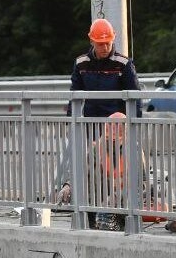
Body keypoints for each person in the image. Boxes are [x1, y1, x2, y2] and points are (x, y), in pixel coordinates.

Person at [54, 18, 141, 221]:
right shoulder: (81, 63)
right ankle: (89, 207)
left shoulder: (124, 64)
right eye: (100, 44)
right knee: (90, 167)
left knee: (119, 169)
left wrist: (134, 126)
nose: (104, 47)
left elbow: (135, 98)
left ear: (113, 40)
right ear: (91, 41)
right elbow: (75, 95)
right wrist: (71, 123)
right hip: (91, 124)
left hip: (117, 129)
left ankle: (121, 209)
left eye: (107, 43)